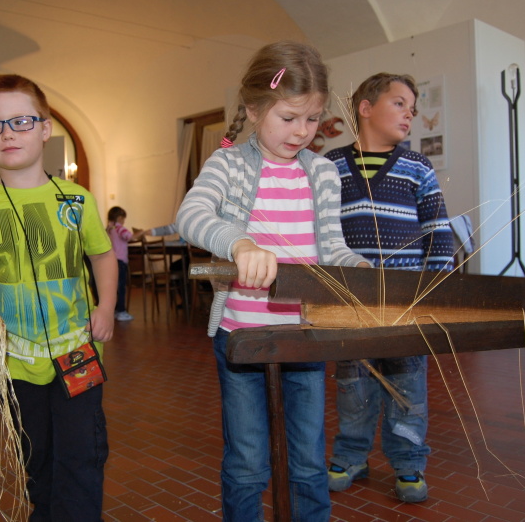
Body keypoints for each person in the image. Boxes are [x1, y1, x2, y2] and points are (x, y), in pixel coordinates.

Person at [176, 41, 370, 521]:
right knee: (246, 464)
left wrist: (359, 269)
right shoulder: (228, 164)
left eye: (313, 118)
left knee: (307, 462)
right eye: (288, 117)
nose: (301, 131)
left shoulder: (322, 173)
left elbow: (333, 248)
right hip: (243, 337)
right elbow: (190, 215)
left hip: (305, 338)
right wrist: (239, 244)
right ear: (254, 109)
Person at [0, 74, 117, 521]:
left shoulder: (76, 199)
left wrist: (105, 306)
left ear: (44, 129)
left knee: (82, 455)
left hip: (78, 352)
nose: (7, 133)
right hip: (16, 363)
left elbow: (102, 256)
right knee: (37, 458)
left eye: (21, 121)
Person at [324, 72, 455, 503]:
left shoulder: (418, 166)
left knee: (407, 386)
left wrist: (432, 292)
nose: (409, 114)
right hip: (351, 303)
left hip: (406, 303)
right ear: (365, 108)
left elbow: (438, 232)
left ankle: (409, 462)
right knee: (354, 385)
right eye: (399, 103)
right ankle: (351, 455)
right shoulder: (330, 166)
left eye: (412, 109)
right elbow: (322, 232)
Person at [107, 205, 142, 321]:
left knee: (113, 288)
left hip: (111, 262)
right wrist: (141, 232)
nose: (124, 221)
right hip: (121, 262)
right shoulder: (119, 228)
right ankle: (121, 311)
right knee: (121, 287)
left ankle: (114, 310)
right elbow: (130, 237)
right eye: (123, 219)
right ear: (120, 218)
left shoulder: (109, 229)